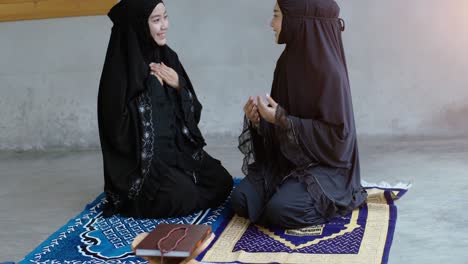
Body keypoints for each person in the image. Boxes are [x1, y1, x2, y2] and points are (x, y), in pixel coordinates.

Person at [232, 0, 368, 229]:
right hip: (288, 161)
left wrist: (281, 120)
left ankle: (318, 199)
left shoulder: (330, 73)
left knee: (281, 210)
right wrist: (261, 122)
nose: (271, 23)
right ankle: (286, 192)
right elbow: (279, 130)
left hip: (328, 167)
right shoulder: (286, 62)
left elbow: (338, 142)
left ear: (297, 20)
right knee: (241, 200)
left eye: (276, 15)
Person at [97, 0, 233, 219]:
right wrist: (153, 93)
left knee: (222, 182)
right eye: (156, 20)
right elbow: (116, 129)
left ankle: (183, 182)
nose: (165, 26)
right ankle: (178, 187)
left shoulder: (168, 57)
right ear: (139, 25)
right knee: (183, 196)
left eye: (165, 17)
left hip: (178, 150)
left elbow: (194, 110)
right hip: (144, 164)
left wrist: (179, 85)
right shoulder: (120, 68)